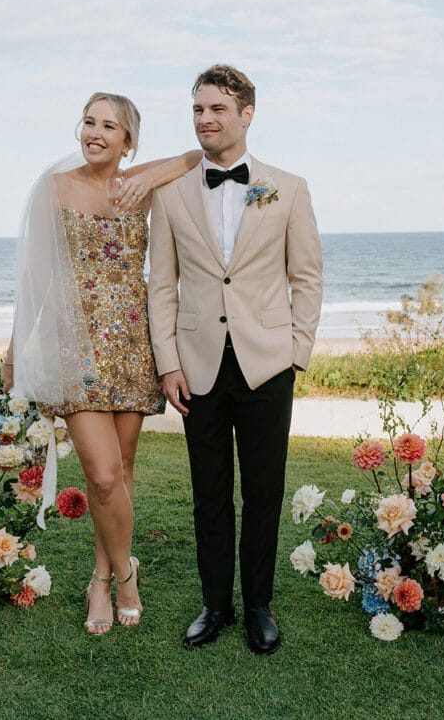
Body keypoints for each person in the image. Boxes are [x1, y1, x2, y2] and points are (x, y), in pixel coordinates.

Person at [2, 92, 199, 635]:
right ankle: (122, 574)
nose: (95, 133)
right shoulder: (55, 188)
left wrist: (145, 173)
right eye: (89, 122)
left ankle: (103, 575)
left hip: (132, 345)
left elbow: (194, 156)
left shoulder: (140, 188)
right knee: (103, 475)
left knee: (123, 471)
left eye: (110, 126)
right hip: (77, 348)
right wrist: (16, 349)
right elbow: (37, 278)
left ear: (127, 141)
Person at [148, 65, 323, 654]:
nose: (205, 119)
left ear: (247, 114)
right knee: (210, 492)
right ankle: (215, 605)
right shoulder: (170, 194)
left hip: (267, 363)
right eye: (198, 109)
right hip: (196, 364)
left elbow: (306, 276)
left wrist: (296, 351)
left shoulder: (288, 188)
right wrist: (168, 362)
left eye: (217, 109)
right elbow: (162, 287)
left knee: (264, 490)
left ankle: (258, 607)